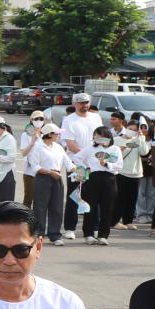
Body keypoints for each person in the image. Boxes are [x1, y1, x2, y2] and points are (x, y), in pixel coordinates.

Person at [60, 93, 104, 239]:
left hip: (95, 164)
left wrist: (96, 157)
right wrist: (86, 157)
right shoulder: (68, 120)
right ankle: (70, 227)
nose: (84, 105)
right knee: (75, 194)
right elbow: (70, 144)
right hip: (77, 164)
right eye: (80, 103)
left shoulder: (96, 117)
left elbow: (101, 138)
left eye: (86, 102)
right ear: (74, 104)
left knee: (94, 195)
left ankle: (94, 227)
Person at [79, 125, 122, 245]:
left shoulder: (114, 149)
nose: (96, 138)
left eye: (99, 135)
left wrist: (107, 164)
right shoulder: (90, 148)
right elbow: (77, 158)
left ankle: (103, 235)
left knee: (107, 208)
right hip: (93, 178)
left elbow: (119, 165)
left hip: (109, 178)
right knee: (90, 207)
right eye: (95, 136)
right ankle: (88, 234)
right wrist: (86, 168)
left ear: (107, 136)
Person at [27, 125, 70, 243]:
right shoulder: (38, 147)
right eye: (57, 133)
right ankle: (39, 234)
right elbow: (35, 166)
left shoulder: (58, 147)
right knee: (40, 207)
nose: (59, 135)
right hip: (43, 177)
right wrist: (50, 172)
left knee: (57, 207)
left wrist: (79, 170)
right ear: (50, 134)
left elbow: (68, 162)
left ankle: (55, 235)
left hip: (57, 178)